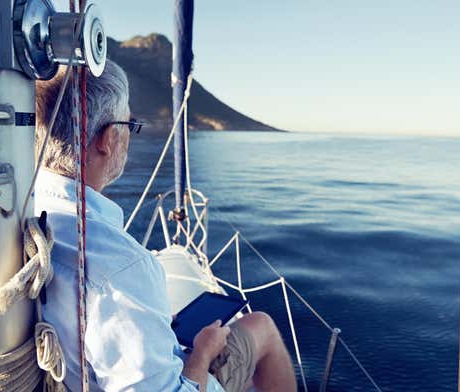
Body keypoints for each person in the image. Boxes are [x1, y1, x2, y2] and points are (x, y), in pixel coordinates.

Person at [34, 60, 297, 392]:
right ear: (108, 138)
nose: (129, 132)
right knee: (263, 326)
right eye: (128, 123)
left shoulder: (9, 224)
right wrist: (203, 353)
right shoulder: (123, 269)